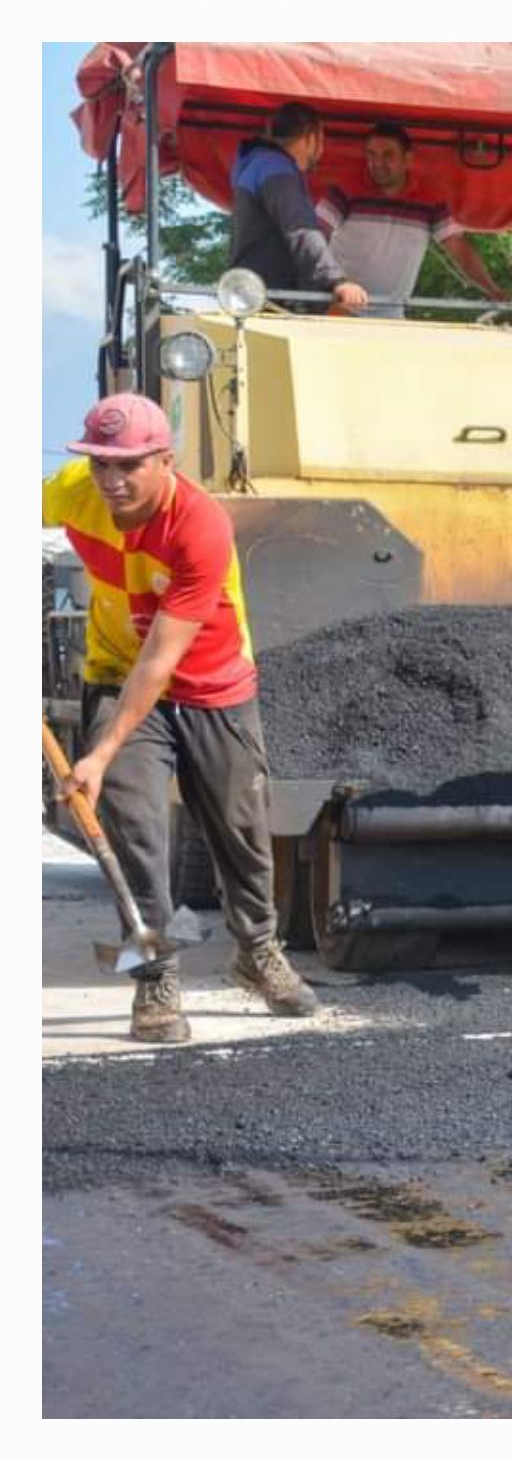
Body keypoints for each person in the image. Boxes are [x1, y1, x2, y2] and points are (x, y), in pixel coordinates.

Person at [42, 394, 322, 1042]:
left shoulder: (199, 526)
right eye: (100, 463)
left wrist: (98, 753)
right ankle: (156, 979)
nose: (111, 480)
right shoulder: (76, 492)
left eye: (128, 465)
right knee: (135, 825)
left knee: (240, 826)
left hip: (211, 682)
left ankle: (256, 950)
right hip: (116, 670)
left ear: (164, 461)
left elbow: (161, 663)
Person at [314, 119, 510, 316]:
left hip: (392, 316)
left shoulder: (431, 199)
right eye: (371, 155)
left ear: (407, 159)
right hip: (340, 309)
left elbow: (458, 248)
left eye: (387, 155)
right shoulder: (344, 190)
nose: (377, 163)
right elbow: (316, 234)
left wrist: (491, 289)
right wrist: (337, 282)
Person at [227, 104, 368, 314]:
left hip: (252, 296)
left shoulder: (256, 165)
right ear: (310, 137)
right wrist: (336, 280)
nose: (322, 149)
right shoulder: (275, 168)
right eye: (321, 140)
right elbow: (300, 229)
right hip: (271, 302)